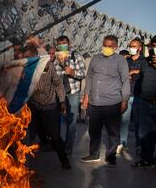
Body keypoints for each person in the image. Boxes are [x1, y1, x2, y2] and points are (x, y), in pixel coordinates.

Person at [81, 35, 130, 167]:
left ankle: (111, 156)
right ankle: (93, 154)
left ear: (115, 47)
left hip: (112, 103)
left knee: (112, 132)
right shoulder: (96, 58)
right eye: (105, 45)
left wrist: (125, 100)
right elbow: (89, 77)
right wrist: (86, 96)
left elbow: (125, 80)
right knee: (94, 130)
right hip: (94, 102)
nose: (106, 48)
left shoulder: (121, 61)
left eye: (110, 46)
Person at [26, 38, 71, 169]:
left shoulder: (47, 66)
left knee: (55, 135)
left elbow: (58, 84)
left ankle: (64, 160)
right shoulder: (26, 67)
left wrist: (62, 101)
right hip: (34, 105)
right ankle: (32, 157)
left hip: (49, 105)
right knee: (33, 130)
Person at [53, 35, 86, 156]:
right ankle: (56, 143)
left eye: (64, 44)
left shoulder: (76, 56)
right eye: (59, 45)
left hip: (72, 92)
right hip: (58, 93)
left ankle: (68, 147)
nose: (62, 47)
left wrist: (72, 72)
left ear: (69, 44)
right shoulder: (56, 58)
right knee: (55, 120)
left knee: (71, 121)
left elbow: (83, 74)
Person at [131, 34, 156, 169]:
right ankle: (146, 159)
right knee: (144, 134)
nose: (155, 49)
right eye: (153, 46)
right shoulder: (146, 61)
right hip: (145, 103)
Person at [118, 38, 143, 154]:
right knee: (124, 120)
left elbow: (146, 73)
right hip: (127, 94)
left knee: (139, 122)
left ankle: (139, 145)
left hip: (139, 95)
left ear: (140, 48)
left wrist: (134, 72)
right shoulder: (126, 61)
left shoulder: (144, 61)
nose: (132, 48)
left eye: (134, 46)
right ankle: (123, 143)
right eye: (131, 46)